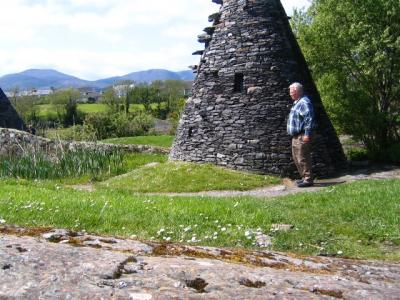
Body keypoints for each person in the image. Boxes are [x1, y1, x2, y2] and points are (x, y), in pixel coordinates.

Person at [287, 82, 315, 187]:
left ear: (297, 91)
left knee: (302, 157)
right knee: (296, 157)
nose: (290, 94)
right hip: (296, 135)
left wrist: (307, 134)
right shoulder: (297, 102)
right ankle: (304, 178)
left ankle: (308, 180)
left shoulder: (304, 102)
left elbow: (309, 119)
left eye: (291, 92)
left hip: (302, 135)